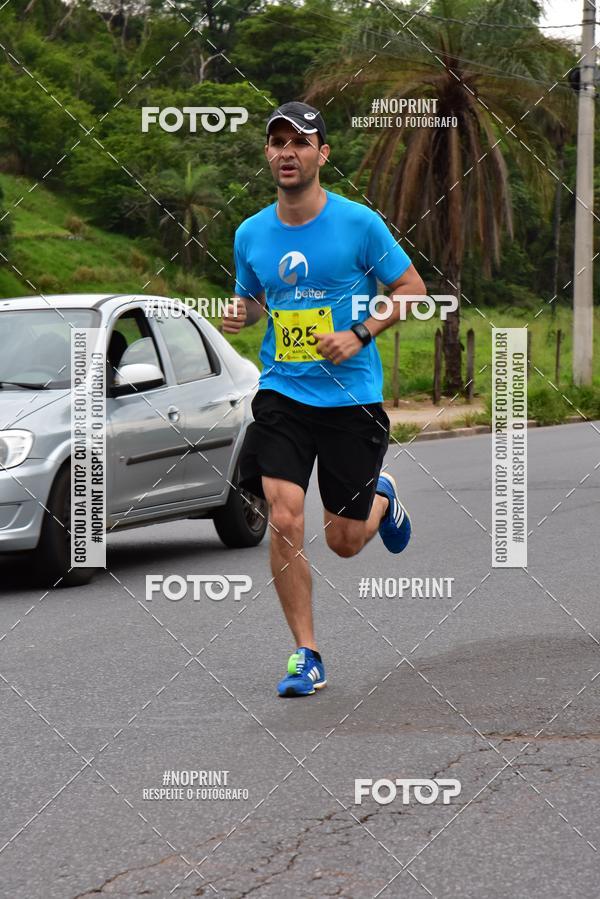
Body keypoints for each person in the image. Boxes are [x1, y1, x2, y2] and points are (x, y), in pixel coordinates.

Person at [222, 101, 426, 697]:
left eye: (300, 142)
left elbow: (411, 289)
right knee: (283, 519)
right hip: (282, 392)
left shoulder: (359, 225)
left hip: (351, 399)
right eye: (277, 143)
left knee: (343, 541)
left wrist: (359, 332)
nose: (288, 152)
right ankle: (305, 654)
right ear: (267, 153)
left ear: (322, 154)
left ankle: (382, 500)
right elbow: (256, 298)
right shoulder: (250, 233)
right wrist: (244, 312)